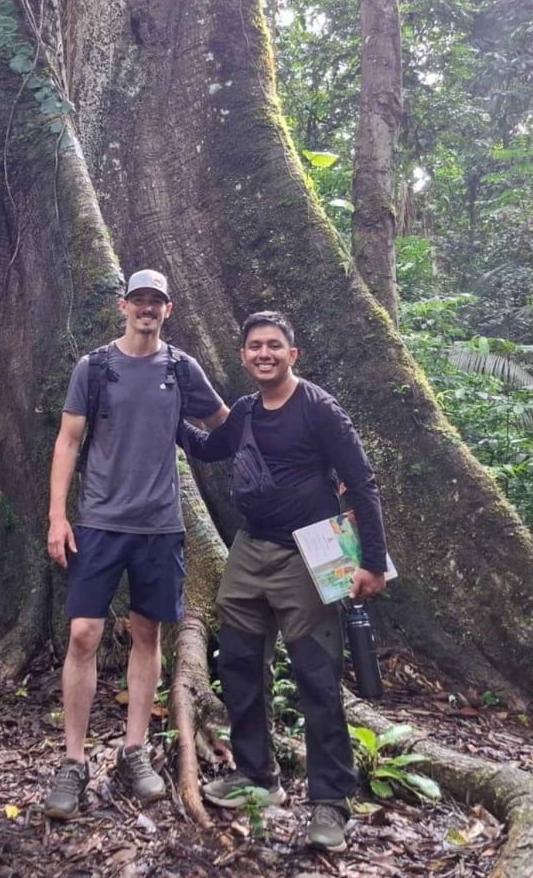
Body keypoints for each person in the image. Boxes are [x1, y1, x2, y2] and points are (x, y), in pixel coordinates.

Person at [181, 310, 388, 852]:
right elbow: (207, 448)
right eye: (254, 346)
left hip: (311, 552)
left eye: (274, 345)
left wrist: (371, 561)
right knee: (239, 663)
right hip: (250, 549)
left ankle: (330, 803)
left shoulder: (319, 410)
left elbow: (362, 483)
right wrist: (165, 412)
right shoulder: (246, 412)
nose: (264, 353)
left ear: (292, 354)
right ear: (244, 355)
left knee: (317, 676)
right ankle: (256, 775)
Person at [42, 269, 228, 820]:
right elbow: (68, 439)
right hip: (100, 521)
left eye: (156, 302)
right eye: (139, 300)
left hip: (161, 525)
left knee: (148, 632)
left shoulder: (181, 368)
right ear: (124, 305)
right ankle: (73, 762)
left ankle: (134, 750)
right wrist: (57, 517)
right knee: (83, 634)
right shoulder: (94, 367)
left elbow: (223, 423)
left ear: (168, 310)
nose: (147, 309)